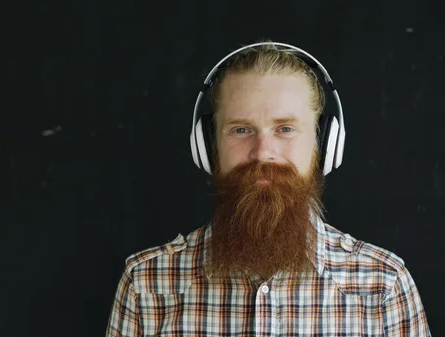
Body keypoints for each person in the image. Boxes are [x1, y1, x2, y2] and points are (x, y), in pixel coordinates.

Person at [105, 40, 431, 336]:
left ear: (324, 145)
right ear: (208, 147)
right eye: (241, 129)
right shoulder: (146, 284)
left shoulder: (384, 284)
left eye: (285, 128)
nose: (262, 152)